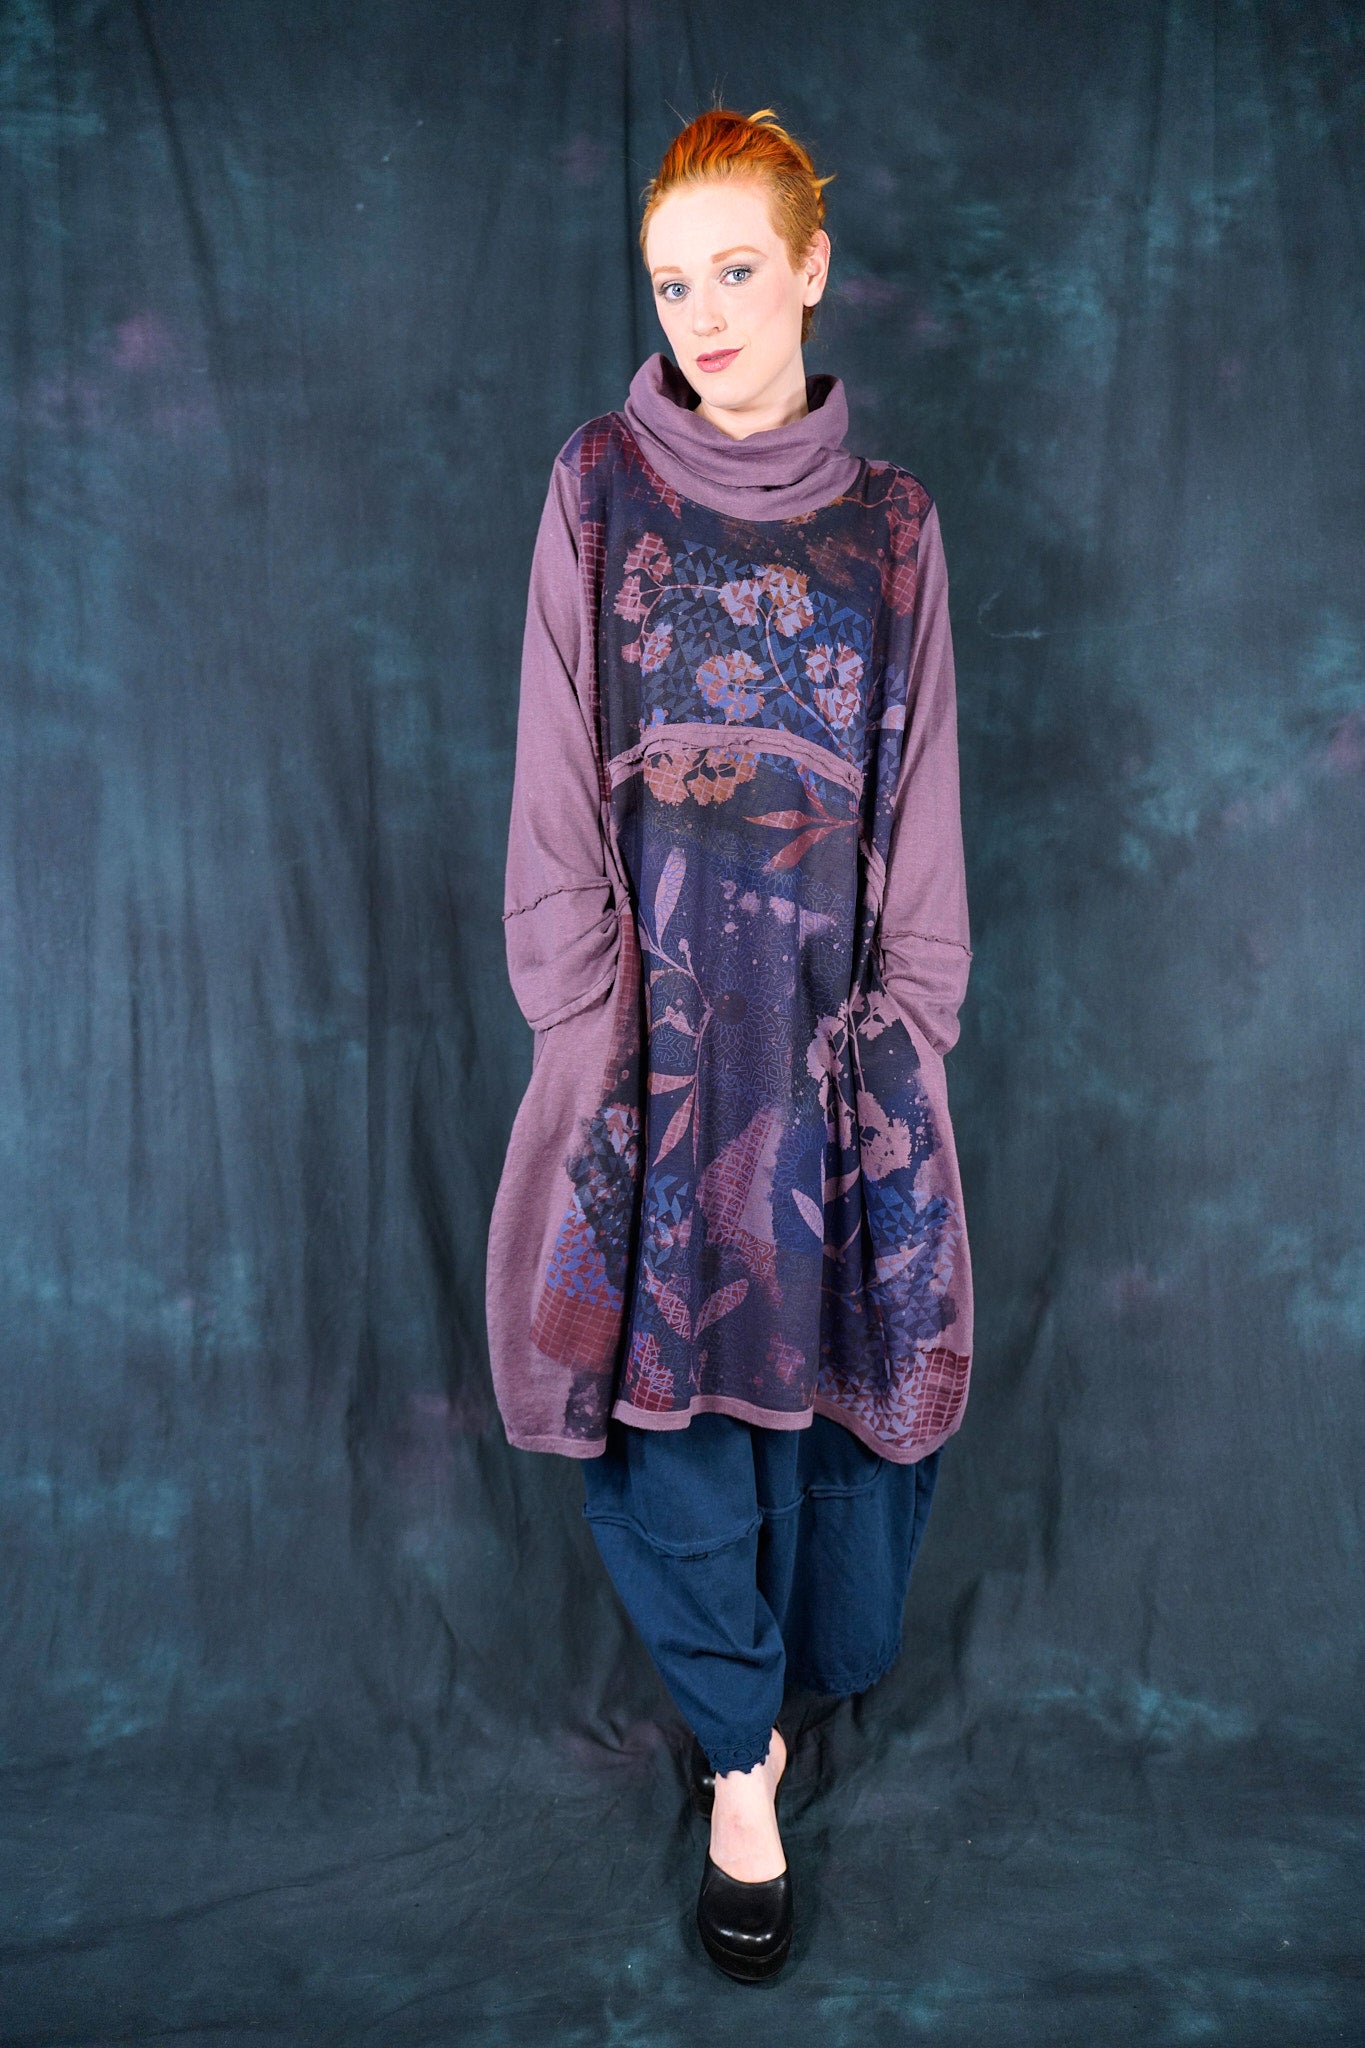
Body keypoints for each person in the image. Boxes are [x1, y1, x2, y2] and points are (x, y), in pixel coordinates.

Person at [484, 105, 974, 1983]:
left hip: (833, 1046)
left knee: (837, 1386)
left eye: (735, 271)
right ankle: (738, 1767)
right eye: (669, 282)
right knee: (666, 1408)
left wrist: (907, 1022)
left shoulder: (894, 526)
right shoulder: (598, 485)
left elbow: (921, 793)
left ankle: (780, 1683)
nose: (700, 314)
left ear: (812, 269)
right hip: (654, 1046)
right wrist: (584, 1017)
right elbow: (553, 771)